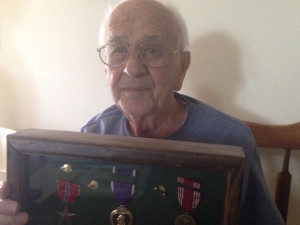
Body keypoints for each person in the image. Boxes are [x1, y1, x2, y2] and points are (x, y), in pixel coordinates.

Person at [0, 0, 285, 224]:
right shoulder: (91, 137)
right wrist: (17, 213)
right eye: (118, 49)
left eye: (152, 50)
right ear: (106, 69)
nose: (132, 68)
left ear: (181, 68)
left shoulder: (229, 140)